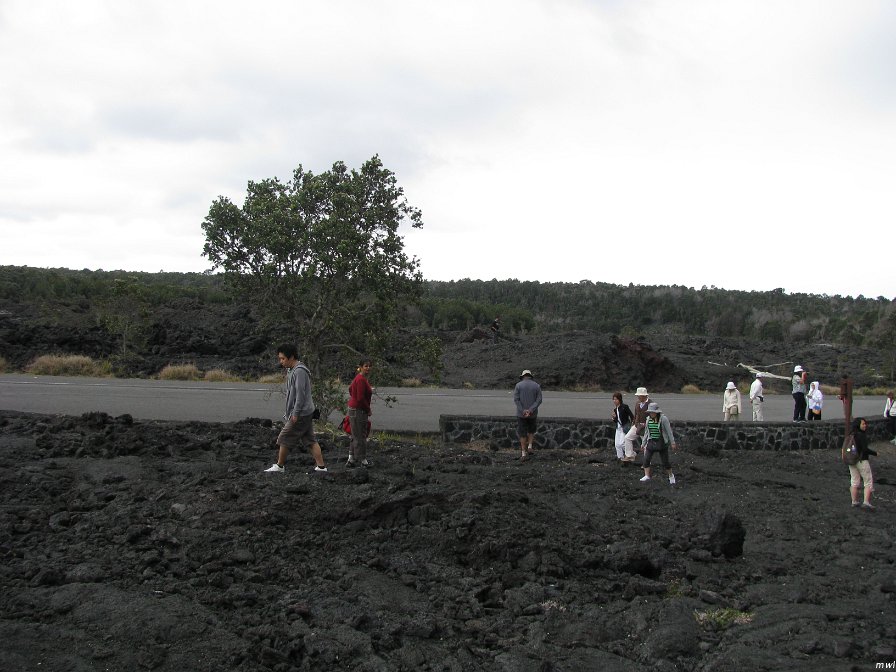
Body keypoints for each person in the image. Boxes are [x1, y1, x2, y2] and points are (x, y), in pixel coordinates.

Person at [264, 343, 327, 473]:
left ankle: (279, 466)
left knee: (284, 438)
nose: (281, 361)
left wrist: (295, 413)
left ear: (291, 357)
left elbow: (300, 394)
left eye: (283, 358)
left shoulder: (299, 371)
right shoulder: (292, 370)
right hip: (304, 412)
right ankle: (321, 467)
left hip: (301, 413)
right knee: (310, 440)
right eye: (280, 358)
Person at [639, 402, 678, 485]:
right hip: (651, 441)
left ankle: (671, 475)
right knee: (646, 459)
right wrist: (643, 444)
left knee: (665, 462)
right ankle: (647, 475)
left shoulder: (663, 419)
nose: (651, 414)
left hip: (661, 442)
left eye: (652, 412)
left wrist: (672, 442)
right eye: (650, 412)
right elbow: (646, 432)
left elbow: (669, 431)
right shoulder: (648, 419)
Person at [346, 359, 374, 468]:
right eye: (366, 366)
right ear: (361, 367)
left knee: (355, 434)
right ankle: (362, 460)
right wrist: (368, 409)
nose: (368, 368)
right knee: (361, 435)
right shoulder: (361, 379)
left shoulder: (359, 378)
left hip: (353, 408)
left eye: (369, 366)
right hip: (358, 410)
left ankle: (351, 458)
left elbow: (350, 389)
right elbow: (360, 398)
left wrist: (354, 398)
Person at [847, 417, 877, 510]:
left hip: (852, 460)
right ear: (858, 425)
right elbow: (865, 449)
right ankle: (866, 502)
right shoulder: (861, 435)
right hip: (862, 460)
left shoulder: (851, 435)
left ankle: (854, 501)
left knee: (854, 481)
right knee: (868, 481)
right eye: (863, 424)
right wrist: (875, 453)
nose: (865, 425)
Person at [513, 369, 543, 461]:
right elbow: (539, 400)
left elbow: (516, 399)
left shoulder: (518, 385)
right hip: (533, 414)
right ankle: (530, 446)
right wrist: (530, 410)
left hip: (521, 414)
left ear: (522, 376)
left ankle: (523, 453)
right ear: (530, 376)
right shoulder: (536, 386)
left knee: (522, 433)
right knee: (531, 430)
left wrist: (523, 410)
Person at [623, 387, 650, 462]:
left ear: (644, 396)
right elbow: (636, 414)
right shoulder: (637, 403)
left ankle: (647, 462)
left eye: (639, 395)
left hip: (646, 427)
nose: (638, 397)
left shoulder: (650, 404)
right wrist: (634, 423)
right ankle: (630, 455)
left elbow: (654, 416)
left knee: (645, 445)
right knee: (627, 437)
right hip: (637, 425)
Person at [610, 392, 634, 462]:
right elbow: (617, 420)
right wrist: (614, 418)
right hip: (618, 428)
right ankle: (620, 458)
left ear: (620, 399)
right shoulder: (615, 409)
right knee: (617, 444)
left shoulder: (624, 407)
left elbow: (631, 416)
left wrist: (632, 424)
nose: (614, 401)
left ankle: (631, 454)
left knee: (622, 444)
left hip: (625, 427)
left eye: (616, 399)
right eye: (614, 399)